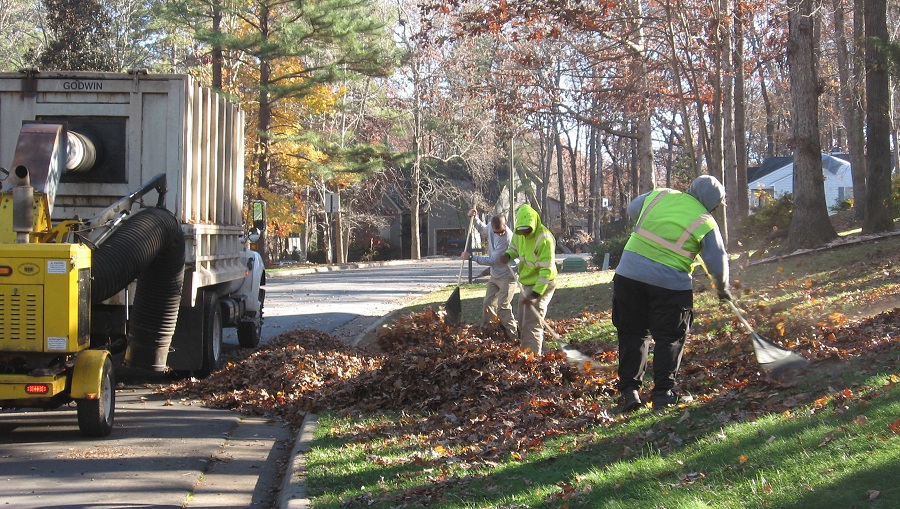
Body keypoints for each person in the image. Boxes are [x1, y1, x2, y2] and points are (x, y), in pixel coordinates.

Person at [613, 175, 731, 412]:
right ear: (714, 204)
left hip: (629, 274)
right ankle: (663, 394)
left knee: (632, 333)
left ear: (690, 187)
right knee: (670, 337)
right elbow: (717, 263)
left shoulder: (662, 195)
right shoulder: (706, 221)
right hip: (669, 284)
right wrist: (722, 289)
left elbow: (632, 208)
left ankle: (630, 392)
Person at [498, 204, 558, 354]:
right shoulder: (519, 234)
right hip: (526, 283)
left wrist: (535, 294)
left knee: (531, 323)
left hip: (543, 283)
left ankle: (531, 361)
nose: (525, 233)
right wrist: (508, 255)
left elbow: (546, 270)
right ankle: (545, 354)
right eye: (522, 230)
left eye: (527, 230)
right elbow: (514, 248)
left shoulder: (544, 238)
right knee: (524, 322)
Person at [460, 209, 518, 340]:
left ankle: (514, 337)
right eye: (497, 231)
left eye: (501, 231)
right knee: (487, 303)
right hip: (495, 275)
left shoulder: (508, 239)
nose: (499, 233)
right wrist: (474, 219)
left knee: (503, 308)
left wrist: (471, 257)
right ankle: (490, 332)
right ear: (493, 227)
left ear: (506, 224)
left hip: (508, 277)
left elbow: (492, 260)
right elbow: (482, 229)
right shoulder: (491, 228)